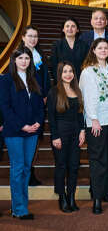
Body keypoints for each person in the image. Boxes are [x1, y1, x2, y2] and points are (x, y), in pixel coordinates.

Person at [0, 47, 45, 220]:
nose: (24, 61)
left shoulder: (34, 79)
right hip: (15, 131)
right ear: (14, 60)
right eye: (21, 58)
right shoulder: (6, 79)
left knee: (27, 169)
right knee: (18, 169)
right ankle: (19, 209)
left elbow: (40, 106)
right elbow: (5, 107)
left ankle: (20, 206)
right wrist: (22, 126)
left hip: (32, 131)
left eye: (27, 58)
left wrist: (38, 123)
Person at [79, 38, 108, 214]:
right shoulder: (88, 72)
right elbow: (87, 97)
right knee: (98, 160)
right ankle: (96, 198)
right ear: (93, 50)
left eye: (106, 48)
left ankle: (105, 192)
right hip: (96, 122)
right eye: (100, 48)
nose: (103, 50)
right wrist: (93, 118)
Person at [47, 61, 85, 213]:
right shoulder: (54, 92)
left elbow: (80, 113)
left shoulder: (77, 91)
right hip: (61, 133)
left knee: (74, 166)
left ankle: (71, 197)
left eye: (71, 71)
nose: (68, 74)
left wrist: (82, 131)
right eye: (65, 72)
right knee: (62, 166)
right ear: (60, 74)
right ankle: (62, 197)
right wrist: (55, 136)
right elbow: (51, 116)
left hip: (76, 133)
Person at [21, 25, 51, 186]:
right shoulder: (18, 56)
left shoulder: (40, 57)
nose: (33, 39)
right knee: (23, 136)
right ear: (23, 37)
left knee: (36, 136)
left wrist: (45, 95)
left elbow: (46, 78)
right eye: (30, 36)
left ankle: (30, 170)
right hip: (22, 103)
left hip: (38, 103)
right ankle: (23, 171)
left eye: (35, 36)